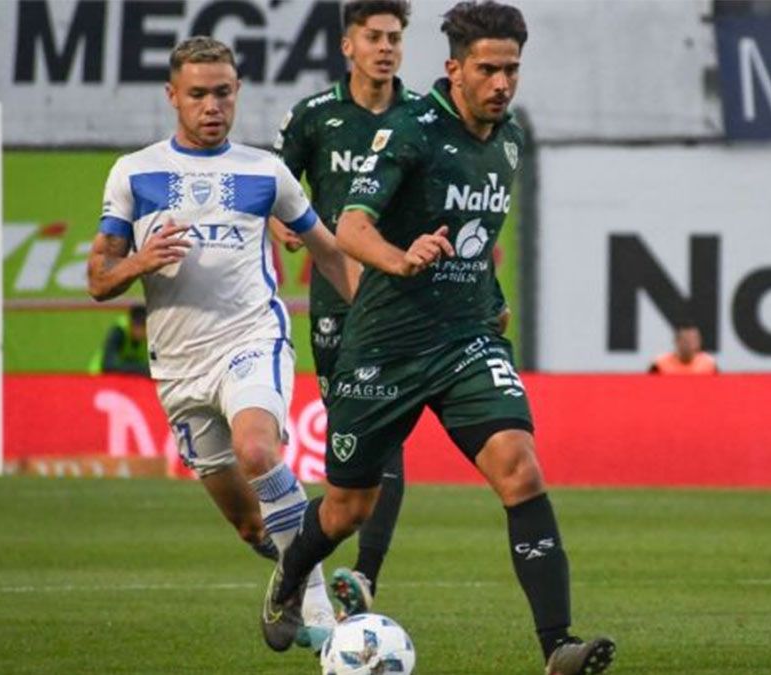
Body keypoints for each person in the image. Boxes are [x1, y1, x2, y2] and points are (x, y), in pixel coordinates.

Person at [261, 3, 616, 673]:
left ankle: (557, 647)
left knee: (521, 467)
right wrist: (402, 258)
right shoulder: (410, 132)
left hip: (465, 341)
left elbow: (476, 243)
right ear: (454, 68)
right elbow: (353, 228)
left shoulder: (508, 139)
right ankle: (289, 575)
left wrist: (492, 300)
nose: (502, 82)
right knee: (345, 508)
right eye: (487, 68)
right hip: (384, 347)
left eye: (511, 69)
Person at [86, 36, 361, 646]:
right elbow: (99, 279)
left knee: (259, 452)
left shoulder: (266, 173)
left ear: (236, 93)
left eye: (223, 93)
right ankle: (312, 591)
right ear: (172, 97)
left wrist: (371, 323)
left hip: (251, 339)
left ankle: (317, 611)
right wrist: (139, 261)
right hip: (179, 368)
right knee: (247, 524)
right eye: (198, 95)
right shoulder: (135, 173)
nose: (213, 106)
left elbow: (331, 254)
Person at [270, 0, 421, 618]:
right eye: (374, 37)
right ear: (348, 46)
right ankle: (303, 559)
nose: (386, 47)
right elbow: (276, 185)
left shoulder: (423, 119)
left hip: (405, 300)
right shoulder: (315, 117)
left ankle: (365, 575)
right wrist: (285, 220)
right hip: (337, 300)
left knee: (390, 435)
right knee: (355, 440)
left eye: (394, 37)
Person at [89, 304, 150, 376]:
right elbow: (109, 366)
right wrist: (142, 369)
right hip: (99, 376)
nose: (139, 330)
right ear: (130, 322)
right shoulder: (119, 332)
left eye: (142, 325)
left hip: (125, 380)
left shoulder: (151, 336)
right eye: (136, 324)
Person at [648, 321, 717, 375]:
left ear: (699, 341)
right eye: (685, 340)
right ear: (676, 341)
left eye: (693, 339)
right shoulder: (660, 365)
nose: (689, 344)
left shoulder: (708, 366)